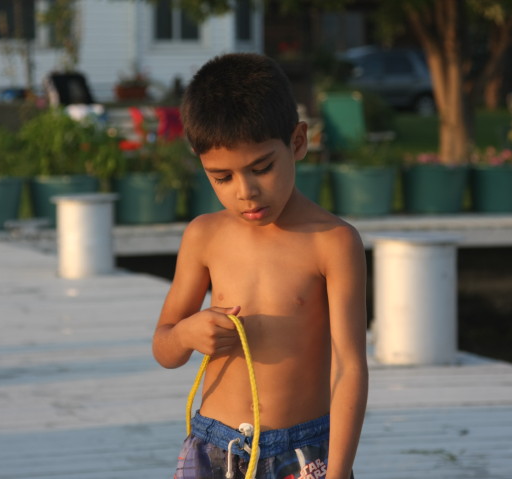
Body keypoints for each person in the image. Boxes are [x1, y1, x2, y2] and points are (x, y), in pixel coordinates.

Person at [152, 53, 368, 479]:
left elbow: (349, 367)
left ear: (298, 142)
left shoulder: (333, 242)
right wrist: (186, 333)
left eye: (262, 168)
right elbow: (164, 348)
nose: (246, 191)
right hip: (213, 447)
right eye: (222, 177)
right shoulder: (204, 236)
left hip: (303, 452)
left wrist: (338, 473)